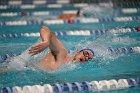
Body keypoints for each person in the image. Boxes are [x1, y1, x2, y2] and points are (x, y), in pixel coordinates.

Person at [28, 26, 94, 71]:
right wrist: (46, 42)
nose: (86, 58)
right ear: (78, 52)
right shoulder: (62, 53)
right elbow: (44, 29)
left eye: (89, 58)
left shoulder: (69, 68)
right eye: (86, 53)